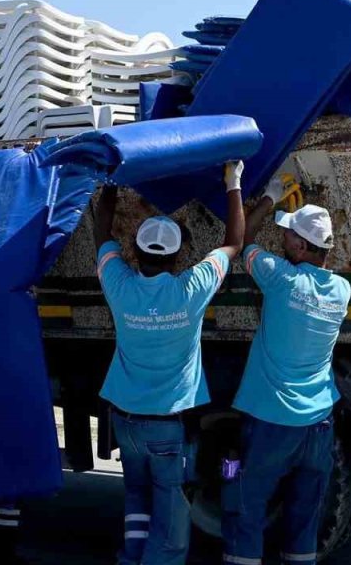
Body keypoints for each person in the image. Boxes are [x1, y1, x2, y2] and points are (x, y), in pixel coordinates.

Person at [93, 162, 246, 565]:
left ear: (136, 252)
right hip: (166, 426)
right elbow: (234, 243)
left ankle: (131, 556)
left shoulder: (119, 285)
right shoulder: (191, 289)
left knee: (136, 495)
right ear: (179, 255)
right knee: (171, 515)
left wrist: (110, 186)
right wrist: (234, 185)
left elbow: (101, 234)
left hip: (125, 420)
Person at [222, 178, 351, 565]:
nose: (282, 240)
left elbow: (242, 238)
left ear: (299, 246)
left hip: (273, 423)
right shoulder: (341, 291)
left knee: (244, 507)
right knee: (304, 518)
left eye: (288, 235)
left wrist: (268, 199)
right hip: (319, 426)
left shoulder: (280, 279)